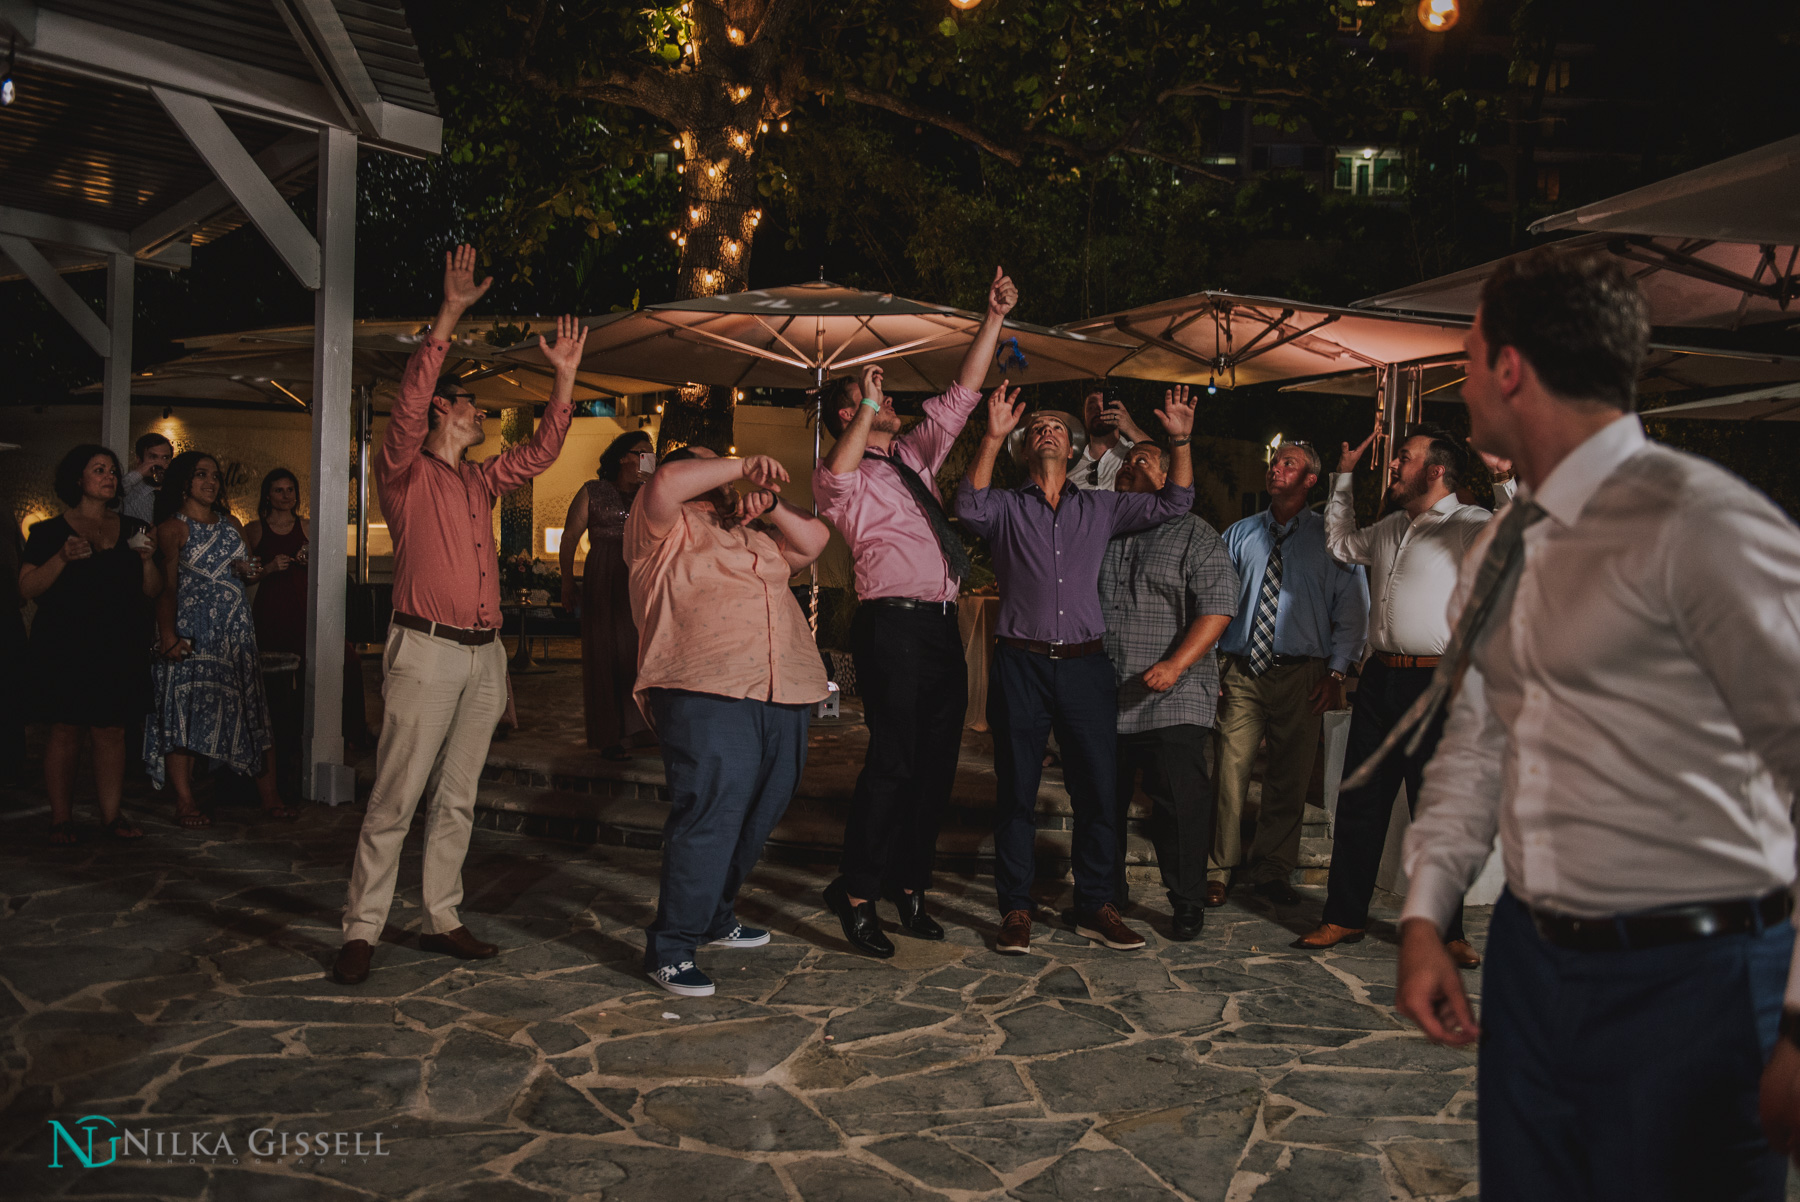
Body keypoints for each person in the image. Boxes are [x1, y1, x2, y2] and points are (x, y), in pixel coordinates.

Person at [1390, 248, 1800, 1200]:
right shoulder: (1497, 548)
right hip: (1534, 969)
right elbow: (1480, 740)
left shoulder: (1703, 527)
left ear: (1509, 368)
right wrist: (1425, 908)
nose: (1460, 374)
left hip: (1700, 981)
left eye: (1467, 351)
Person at [333, 247, 587, 986]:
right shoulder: (404, 472)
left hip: (483, 656)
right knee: (396, 795)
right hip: (426, 650)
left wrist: (565, 378)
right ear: (446, 408)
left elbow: (540, 453)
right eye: (472, 403)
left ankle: (443, 914)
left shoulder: (480, 481)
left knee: (459, 796)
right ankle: (361, 928)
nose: (482, 413)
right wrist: (449, 314)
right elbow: (408, 402)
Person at [814, 264, 1018, 958]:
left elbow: (962, 396)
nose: (889, 398)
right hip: (892, 625)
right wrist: (868, 408)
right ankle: (857, 890)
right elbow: (837, 476)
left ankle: (909, 886)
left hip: (937, 626)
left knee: (936, 767)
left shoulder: (913, 459)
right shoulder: (839, 475)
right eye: (870, 395)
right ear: (847, 414)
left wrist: (991, 318)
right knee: (893, 763)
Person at [956, 386, 1197, 955]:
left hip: (1088, 669)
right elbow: (967, 505)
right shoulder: (1007, 508)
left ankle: (1095, 905)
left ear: (1074, 450)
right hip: (1022, 665)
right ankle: (1016, 908)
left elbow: (1176, 502)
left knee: (1097, 791)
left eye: (1058, 428)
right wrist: (991, 434)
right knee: (1016, 791)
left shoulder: (1101, 506)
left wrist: (1180, 440)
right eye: (1037, 426)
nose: (1047, 431)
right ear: (1024, 447)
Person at [1291, 424, 1502, 967]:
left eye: (1403, 459)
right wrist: (1341, 478)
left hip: (1438, 685)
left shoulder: (1470, 524)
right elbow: (1339, 543)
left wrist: (1504, 477)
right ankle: (1343, 916)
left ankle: (1445, 930)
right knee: (1361, 801)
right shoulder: (1388, 528)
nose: (1393, 466)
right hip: (1381, 678)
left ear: (1435, 470)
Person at [626, 446, 832, 997]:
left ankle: (715, 914)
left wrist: (769, 506)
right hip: (705, 686)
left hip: (781, 686)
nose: (718, 472)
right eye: (707, 463)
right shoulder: (661, 525)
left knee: (764, 807)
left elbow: (814, 542)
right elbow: (667, 481)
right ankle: (671, 945)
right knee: (712, 812)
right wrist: (743, 464)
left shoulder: (754, 534)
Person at [1210, 442, 1368, 908]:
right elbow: (1215, 602)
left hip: (1303, 673)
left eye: (1289, 463)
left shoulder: (1331, 540)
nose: (1276, 468)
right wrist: (1210, 664)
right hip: (1241, 669)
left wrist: (1337, 673)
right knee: (1228, 770)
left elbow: (1353, 611)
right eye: (1275, 462)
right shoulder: (1238, 535)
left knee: (1289, 777)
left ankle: (1273, 869)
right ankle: (1219, 868)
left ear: (1311, 479)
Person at [1099, 434, 1240, 940]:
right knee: (1102, 801)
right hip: (1106, 694)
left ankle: (1186, 901)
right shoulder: (1102, 531)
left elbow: (1219, 606)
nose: (1128, 469)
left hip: (1172, 694)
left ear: (1166, 478)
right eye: (1123, 463)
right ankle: (1105, 897)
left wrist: (1176, 665)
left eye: (1141, 462)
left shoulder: (1196, 534)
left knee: (1179, 803)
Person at [146, 450, 295, 826]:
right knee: (185, 713)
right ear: (184, 483)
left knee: (252, 709)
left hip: (235, 633)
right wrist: (168, 637)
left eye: (214, 476)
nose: (210, 482)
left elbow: (248, 574)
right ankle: (184, 800)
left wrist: (250, 570)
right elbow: (166, 590)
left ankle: (270, 796)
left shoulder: (232, 523)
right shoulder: (172, 529)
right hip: (193, 633)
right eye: (201, 475)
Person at [19, 444, 159, 842]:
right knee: (65, 729)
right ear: (78, 479)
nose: (109, 476)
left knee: (111, 730)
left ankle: (111, 816)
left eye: (113, 470)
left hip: (117, 643)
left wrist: (148, 560)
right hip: (65, 643)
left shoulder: (134, 528)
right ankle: (60, 818)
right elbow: (27, 587)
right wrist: (61, 558)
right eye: (98, 469)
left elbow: (153, 590)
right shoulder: (48, 531)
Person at [559, 428, 654, 758]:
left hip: (640, 575)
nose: (649, 458)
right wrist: (567, 582)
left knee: (639, 651)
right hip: (604, 571)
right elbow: (570, 537)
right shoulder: (594, 491)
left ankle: (641, 726)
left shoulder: (651, 494)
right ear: (624, 456)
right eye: (643, 451)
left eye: (650, 452)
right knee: (605, 650)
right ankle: (609, 732)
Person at [1068, 387, 1149, 491]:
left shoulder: (1135, 454)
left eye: (1105, 406)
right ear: (1084, 416)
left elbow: (1164, 466)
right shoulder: (1071, 463)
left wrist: (1130, 427)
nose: (1099, 411)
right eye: (1091, 407)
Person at [121, 432, 172, 525]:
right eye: (153, 457)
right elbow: (116, 491)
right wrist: (139, 473)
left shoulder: (175, 491)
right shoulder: (130, 490)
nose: (160, 463)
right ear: (139, 460)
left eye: (165, 458)